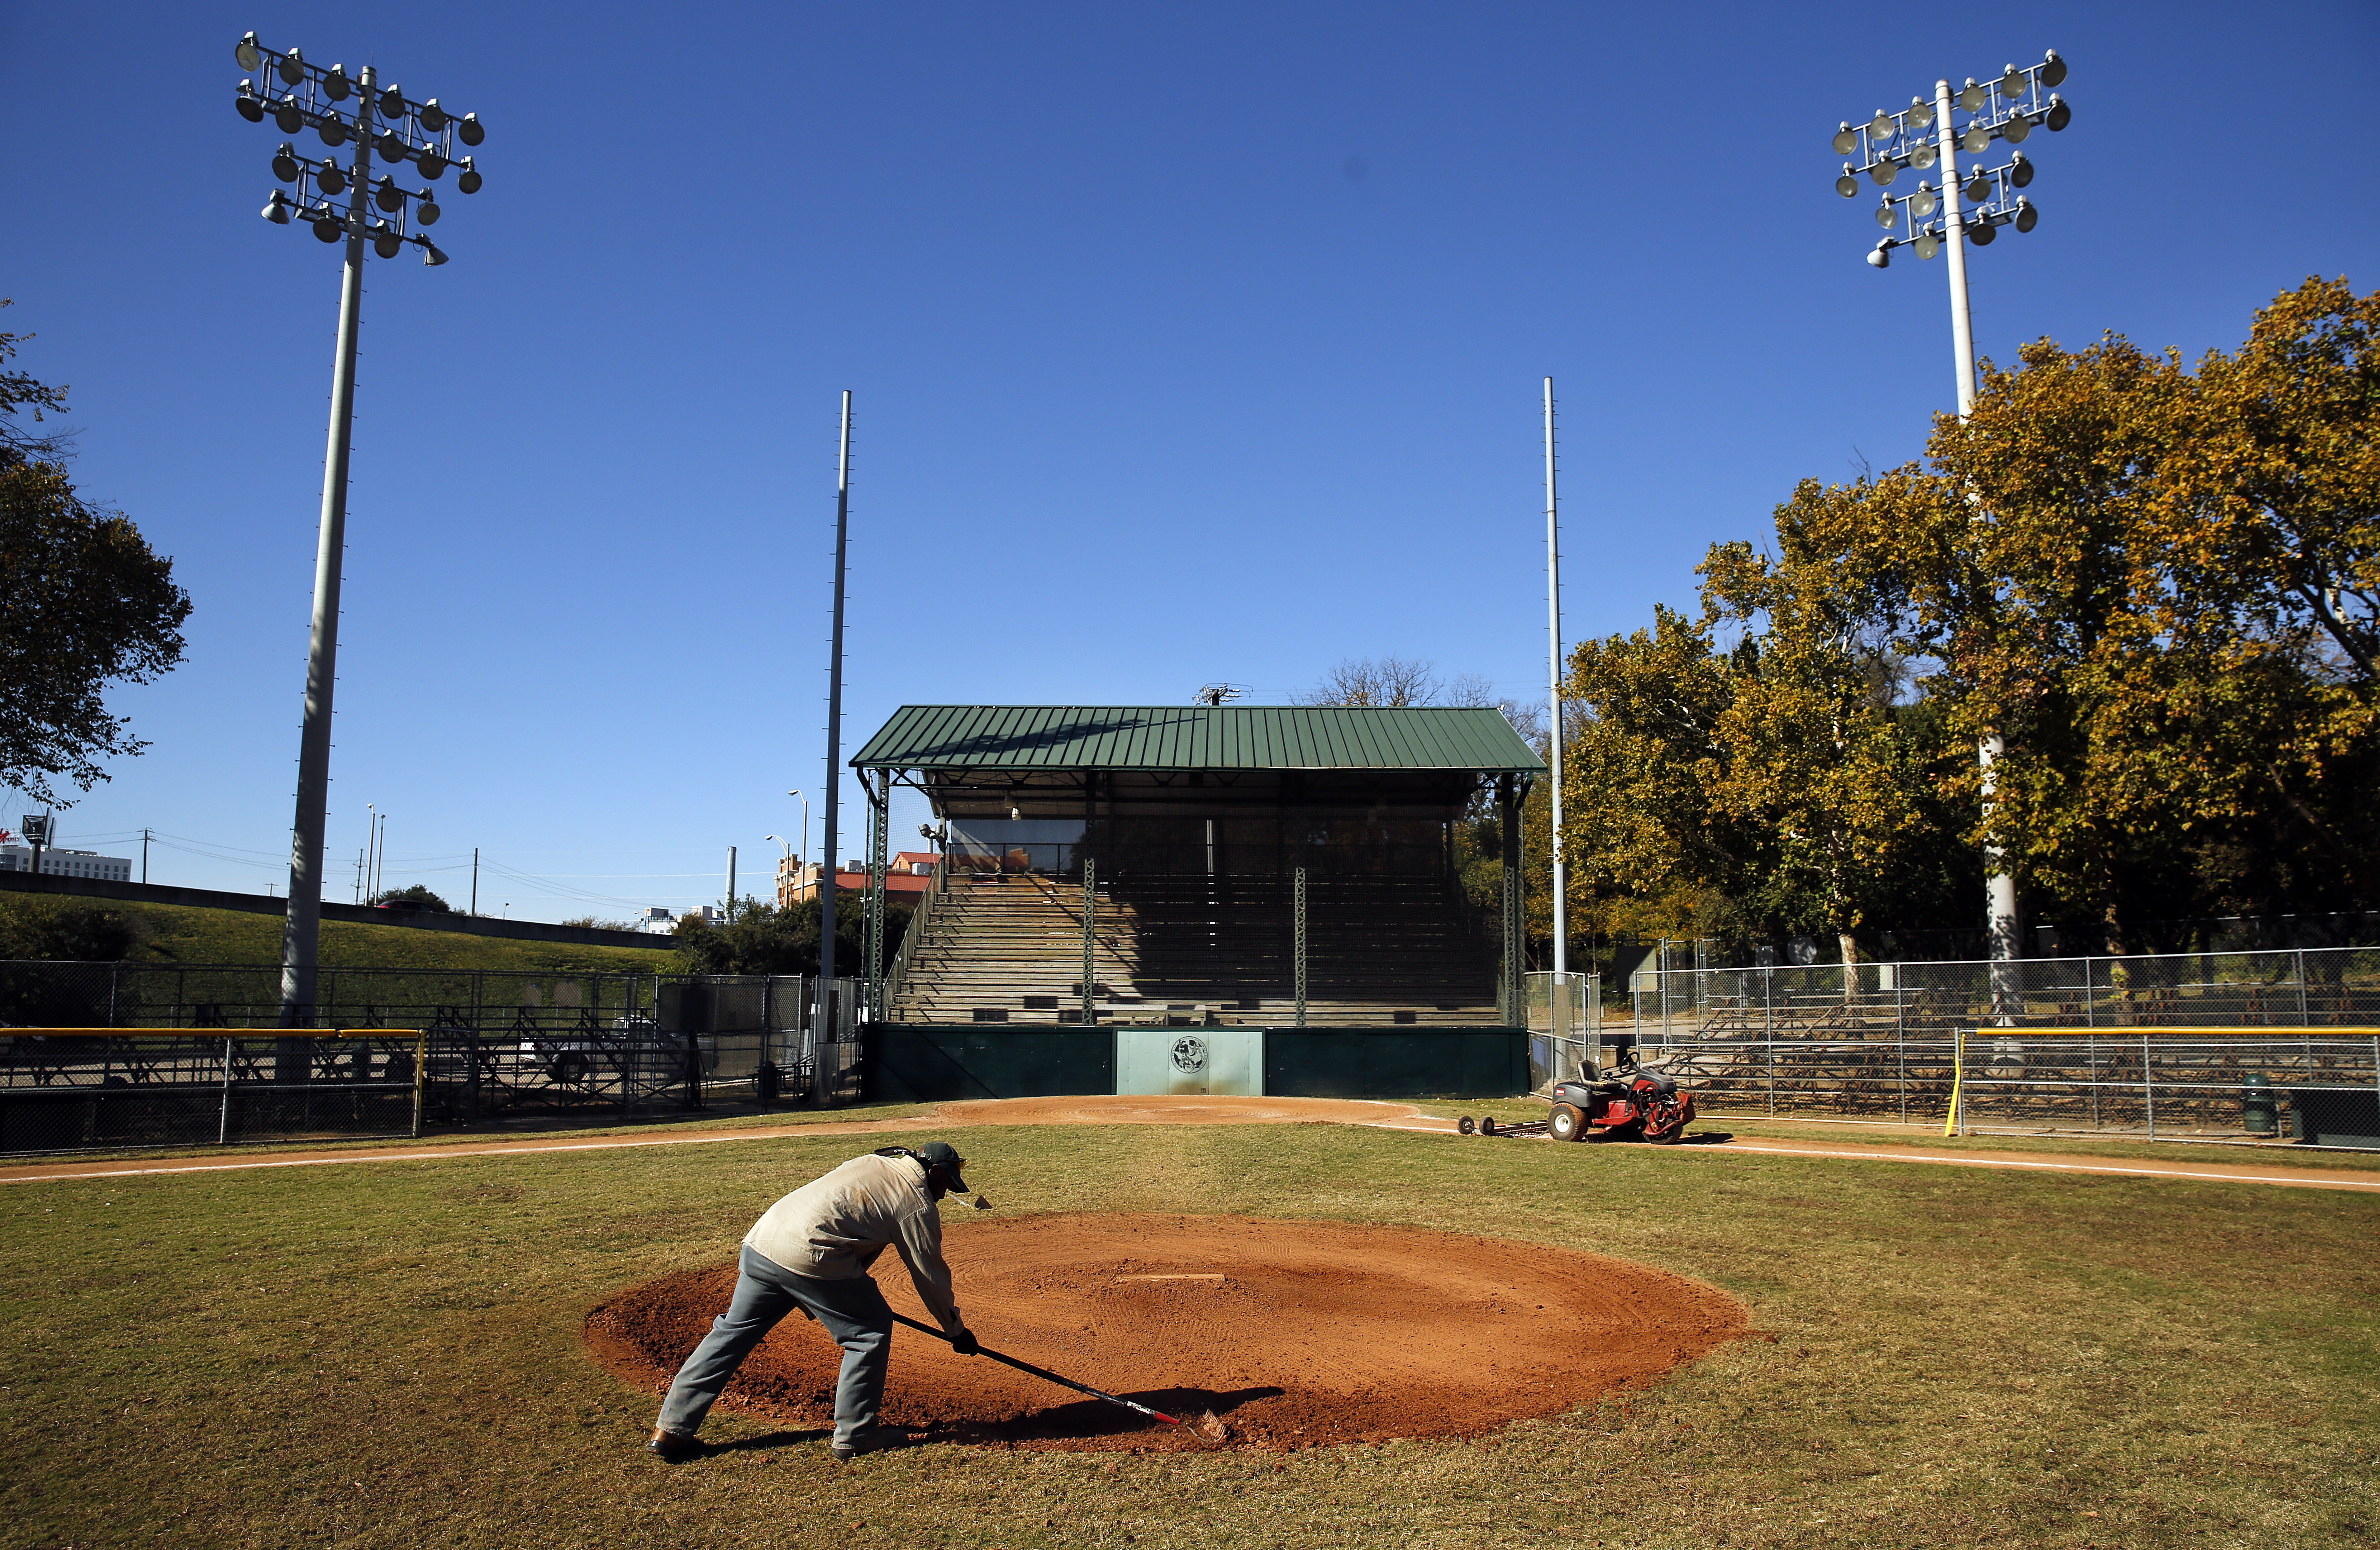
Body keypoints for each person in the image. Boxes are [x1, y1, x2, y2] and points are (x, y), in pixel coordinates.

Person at [647, 1142, 981, 1462]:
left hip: (764, 1242)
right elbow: (929, 1274)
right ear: (933, 1171)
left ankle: (672, 1429)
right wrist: (955, 1330)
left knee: (731, 1333)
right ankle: (857, 1433)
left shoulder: (874, 1163)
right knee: (869, 1330)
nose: (944, 1194)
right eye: (946, 1185)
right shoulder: (915, 1202)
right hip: (810, 1254)